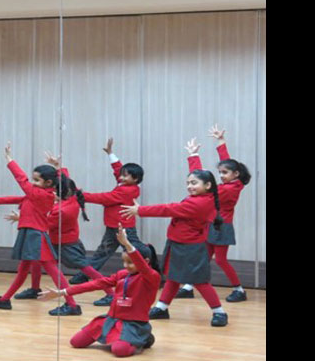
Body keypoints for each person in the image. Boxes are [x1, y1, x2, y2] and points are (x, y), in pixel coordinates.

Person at [120, 138, 229, 327]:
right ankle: (162, 307)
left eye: (193, 183)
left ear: (207, 186)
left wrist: (140, 210)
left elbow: (167, 209)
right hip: (178, 243)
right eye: (188, 183)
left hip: (191, 247)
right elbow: (201, 176)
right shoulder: (204, 193)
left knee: (200, 281)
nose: (189, 186)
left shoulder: (197, 203)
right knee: (172, 277)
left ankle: (219, 312)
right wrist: (193, 156)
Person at [0, 145, 81, 316]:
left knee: (53, 270)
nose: (33, 183)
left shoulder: (43, 194)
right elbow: (21, 197)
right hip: (30, 233)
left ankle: (72, 304)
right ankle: (4, 299)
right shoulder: (37, 192)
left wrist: (10, 161)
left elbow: (21, 181)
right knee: (23, 270)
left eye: (36, 180)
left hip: (36, 235)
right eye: (33, 180)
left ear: (49, 183)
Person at [39, 226, 160, 358]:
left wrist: (127, 244)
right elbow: (96, 284)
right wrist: (63, 292)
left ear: (146, 261)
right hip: (112, 320)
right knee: (76, 342)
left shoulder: (152, 277)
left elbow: (141, 266)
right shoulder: (122, 274)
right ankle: (119, 338)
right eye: (124, 261)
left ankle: (142, 338)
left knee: (119, 351)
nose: (125, 266)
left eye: (130, 262)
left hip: (133, 324)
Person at [71, 138, 149, 308]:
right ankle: (86, 273)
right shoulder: (125, 184)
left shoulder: (127, 190)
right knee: (103, 251)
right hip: (114, 227)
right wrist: (110, 154)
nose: (121, 177)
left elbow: (105, 198)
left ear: (135, 179)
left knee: (135, 252)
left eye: (125, 175)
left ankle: (149, 271)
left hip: (124, 228)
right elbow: (117, 171)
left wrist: (81, 195)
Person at [178, 124, 252, 302]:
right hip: (211, 224)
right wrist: (221, 141)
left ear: (236, 174)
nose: (221, 175)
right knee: (202, 256)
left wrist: (193, 156)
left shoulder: (229, 189)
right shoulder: (233, 181)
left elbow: (201, 182)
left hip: (221, 226)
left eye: (224, 173)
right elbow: (228, 163)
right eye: (219, 172)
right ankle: (188, 286)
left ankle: (239, 290)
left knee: (220, 260)